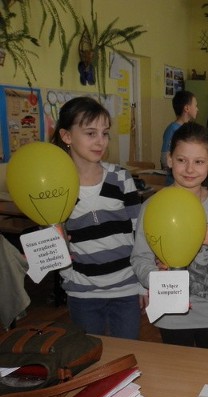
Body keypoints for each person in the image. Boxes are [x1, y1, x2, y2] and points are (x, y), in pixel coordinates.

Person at [131, 122, 208, 349]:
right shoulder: (153, 206)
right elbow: (140, 258)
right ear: (169, 159)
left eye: (199, 161)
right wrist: (155, 278)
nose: (190, 169)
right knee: (177, 374)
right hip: (171, 311)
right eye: (182, 160)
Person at [51, 96, 142, 339]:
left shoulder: (121, 178)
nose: (100, 141)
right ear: (67, 136)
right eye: (91, 133)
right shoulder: (55, 187)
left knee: (127, 354)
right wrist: (68, 274)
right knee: (90, 359)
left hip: (126, 288)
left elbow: (139, 233)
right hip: (83, 293)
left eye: (105, 133)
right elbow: (53, 240)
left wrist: (144, 282)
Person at [161, 90, 198, 173]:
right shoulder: (172, 129)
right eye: (195, 106)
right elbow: (164, 159)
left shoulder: (189, 128)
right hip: (175, 179)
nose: (197, 109)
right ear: (187, 108)